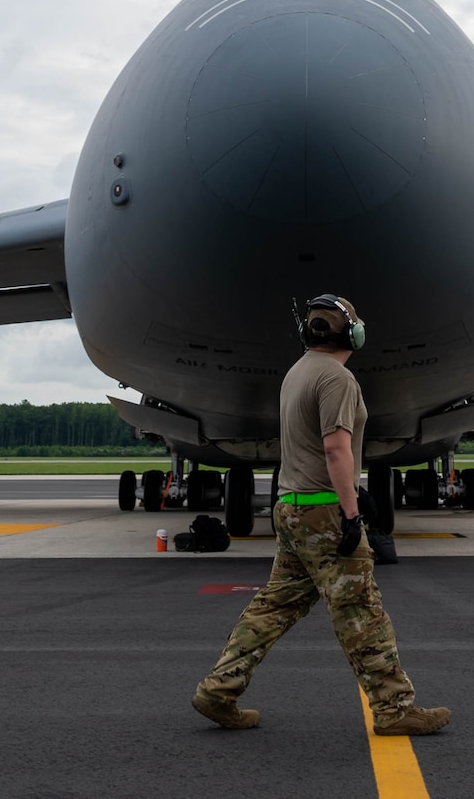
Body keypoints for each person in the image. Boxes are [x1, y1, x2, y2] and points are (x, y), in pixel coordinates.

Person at [192, 294, 450, 736]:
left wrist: (353, 493)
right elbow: (335, 447)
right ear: (353, 333)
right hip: (323, 513)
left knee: (274, 606)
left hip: (291, 506)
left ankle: (219, 689)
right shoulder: (337, 379)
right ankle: (393, 709)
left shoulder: (298, 372)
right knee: (362, 611)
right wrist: (351, 512)